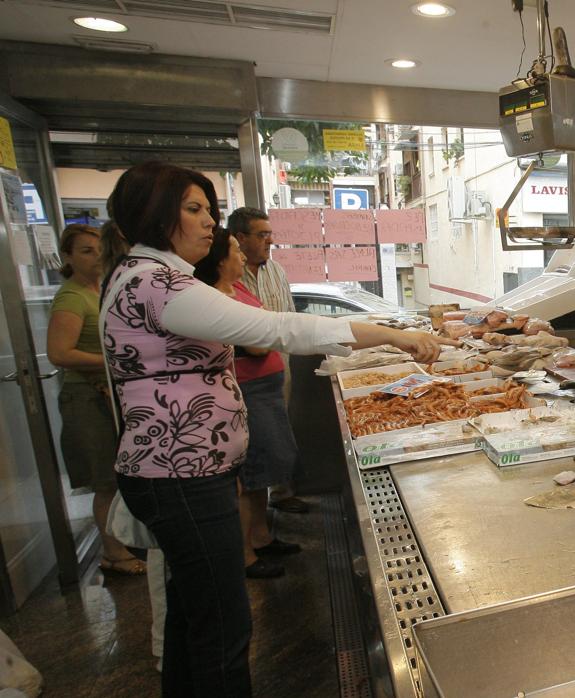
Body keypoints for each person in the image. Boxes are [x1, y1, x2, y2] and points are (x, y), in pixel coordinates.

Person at [100, 161, 452, 697]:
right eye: (193, 210)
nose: (208, 225)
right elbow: (275, 328)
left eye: (209, 211)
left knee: (191, 615)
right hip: (182, 474)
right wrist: (391, 336)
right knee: (221, 622)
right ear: (153, 213)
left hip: (177, 469)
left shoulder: (142, 275)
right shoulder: (157, 283)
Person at [193, 230, 299, 579]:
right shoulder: (212, 297)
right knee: (248, 476)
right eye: (236, 251)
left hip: (265, 388)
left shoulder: (237, 290)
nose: (242, 257)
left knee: (264, 469)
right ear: (220, 260)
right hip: (248, 390)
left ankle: (262, 536)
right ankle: (245, 556)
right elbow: (256, 344)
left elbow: (266, 331)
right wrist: (266, 335)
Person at [46, 223, 146, 575]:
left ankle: (123, 542)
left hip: (107, 395)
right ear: (68, 257)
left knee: (117, 477)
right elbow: (59, 352)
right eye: (85, 251)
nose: (96, 257)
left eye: (98, 249)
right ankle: (113, 553)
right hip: (85, 398)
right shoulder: (72, 296)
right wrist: (114, 362)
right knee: (105, 480)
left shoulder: (100, 289)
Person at [227, 206, 307, 515]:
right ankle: (255, 534)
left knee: (279, 435)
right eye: (262, 235)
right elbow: (254, 340)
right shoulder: (228, 279)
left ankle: (282, 492)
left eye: (270, 234)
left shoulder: (276, 270)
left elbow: (288, 319)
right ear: (239, 239)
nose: (269, 241)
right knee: (255, 449)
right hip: (246, 381)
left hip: (278, 372)